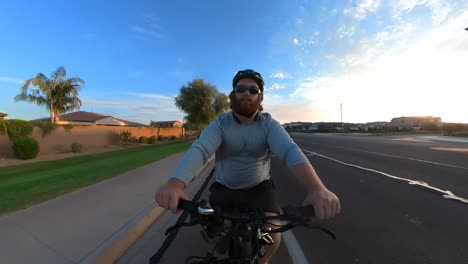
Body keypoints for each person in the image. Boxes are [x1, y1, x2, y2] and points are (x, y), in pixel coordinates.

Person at [155, 69, 341, 264]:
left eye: (253, 90)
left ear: (260, 97)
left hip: (259, 188)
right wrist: (176, 185)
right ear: (233, 94)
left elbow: (289, 151)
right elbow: (200, 150)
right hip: (224, 187)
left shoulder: (268, 124)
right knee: (213, 228)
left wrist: (316, 189)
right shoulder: (221, 123)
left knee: (273, 236)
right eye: (240, 88)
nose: (246, 93)